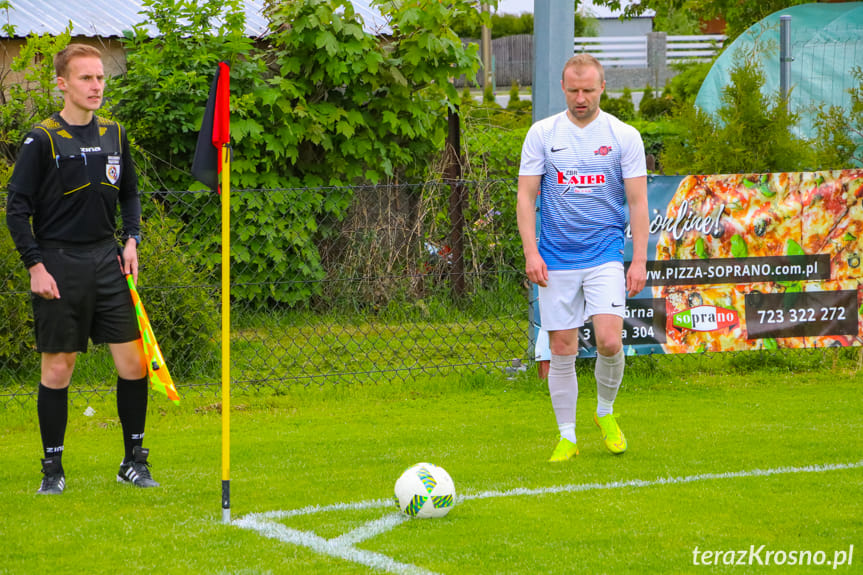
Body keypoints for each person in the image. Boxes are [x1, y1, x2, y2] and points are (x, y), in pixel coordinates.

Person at [6, 43, 159, 493]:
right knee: (59, 369)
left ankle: (133, 460)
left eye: (100, 78)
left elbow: (130, 192)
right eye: (86, 78)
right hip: (57, 262)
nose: (96, 86)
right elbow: (16, 209)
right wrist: (35, 265)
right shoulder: (42, 139)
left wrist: (131, 239)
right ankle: (52, 470)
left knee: (135, 364)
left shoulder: (115, 132)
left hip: (107, 260)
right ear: (62, 84)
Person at [516, 54, 649, 462]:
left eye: (588, 90)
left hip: (605, 254)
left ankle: (605, 413)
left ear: (602, 88)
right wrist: (531, 252)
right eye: (573, 90)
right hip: (555, 258)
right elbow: (526, 194)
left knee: (609, 340)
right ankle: (567, 437)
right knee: (563, 346)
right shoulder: (542, 133)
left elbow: (638, 199)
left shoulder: (623, 135)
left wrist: (638, 259)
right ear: (562, 87)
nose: (580, 98)